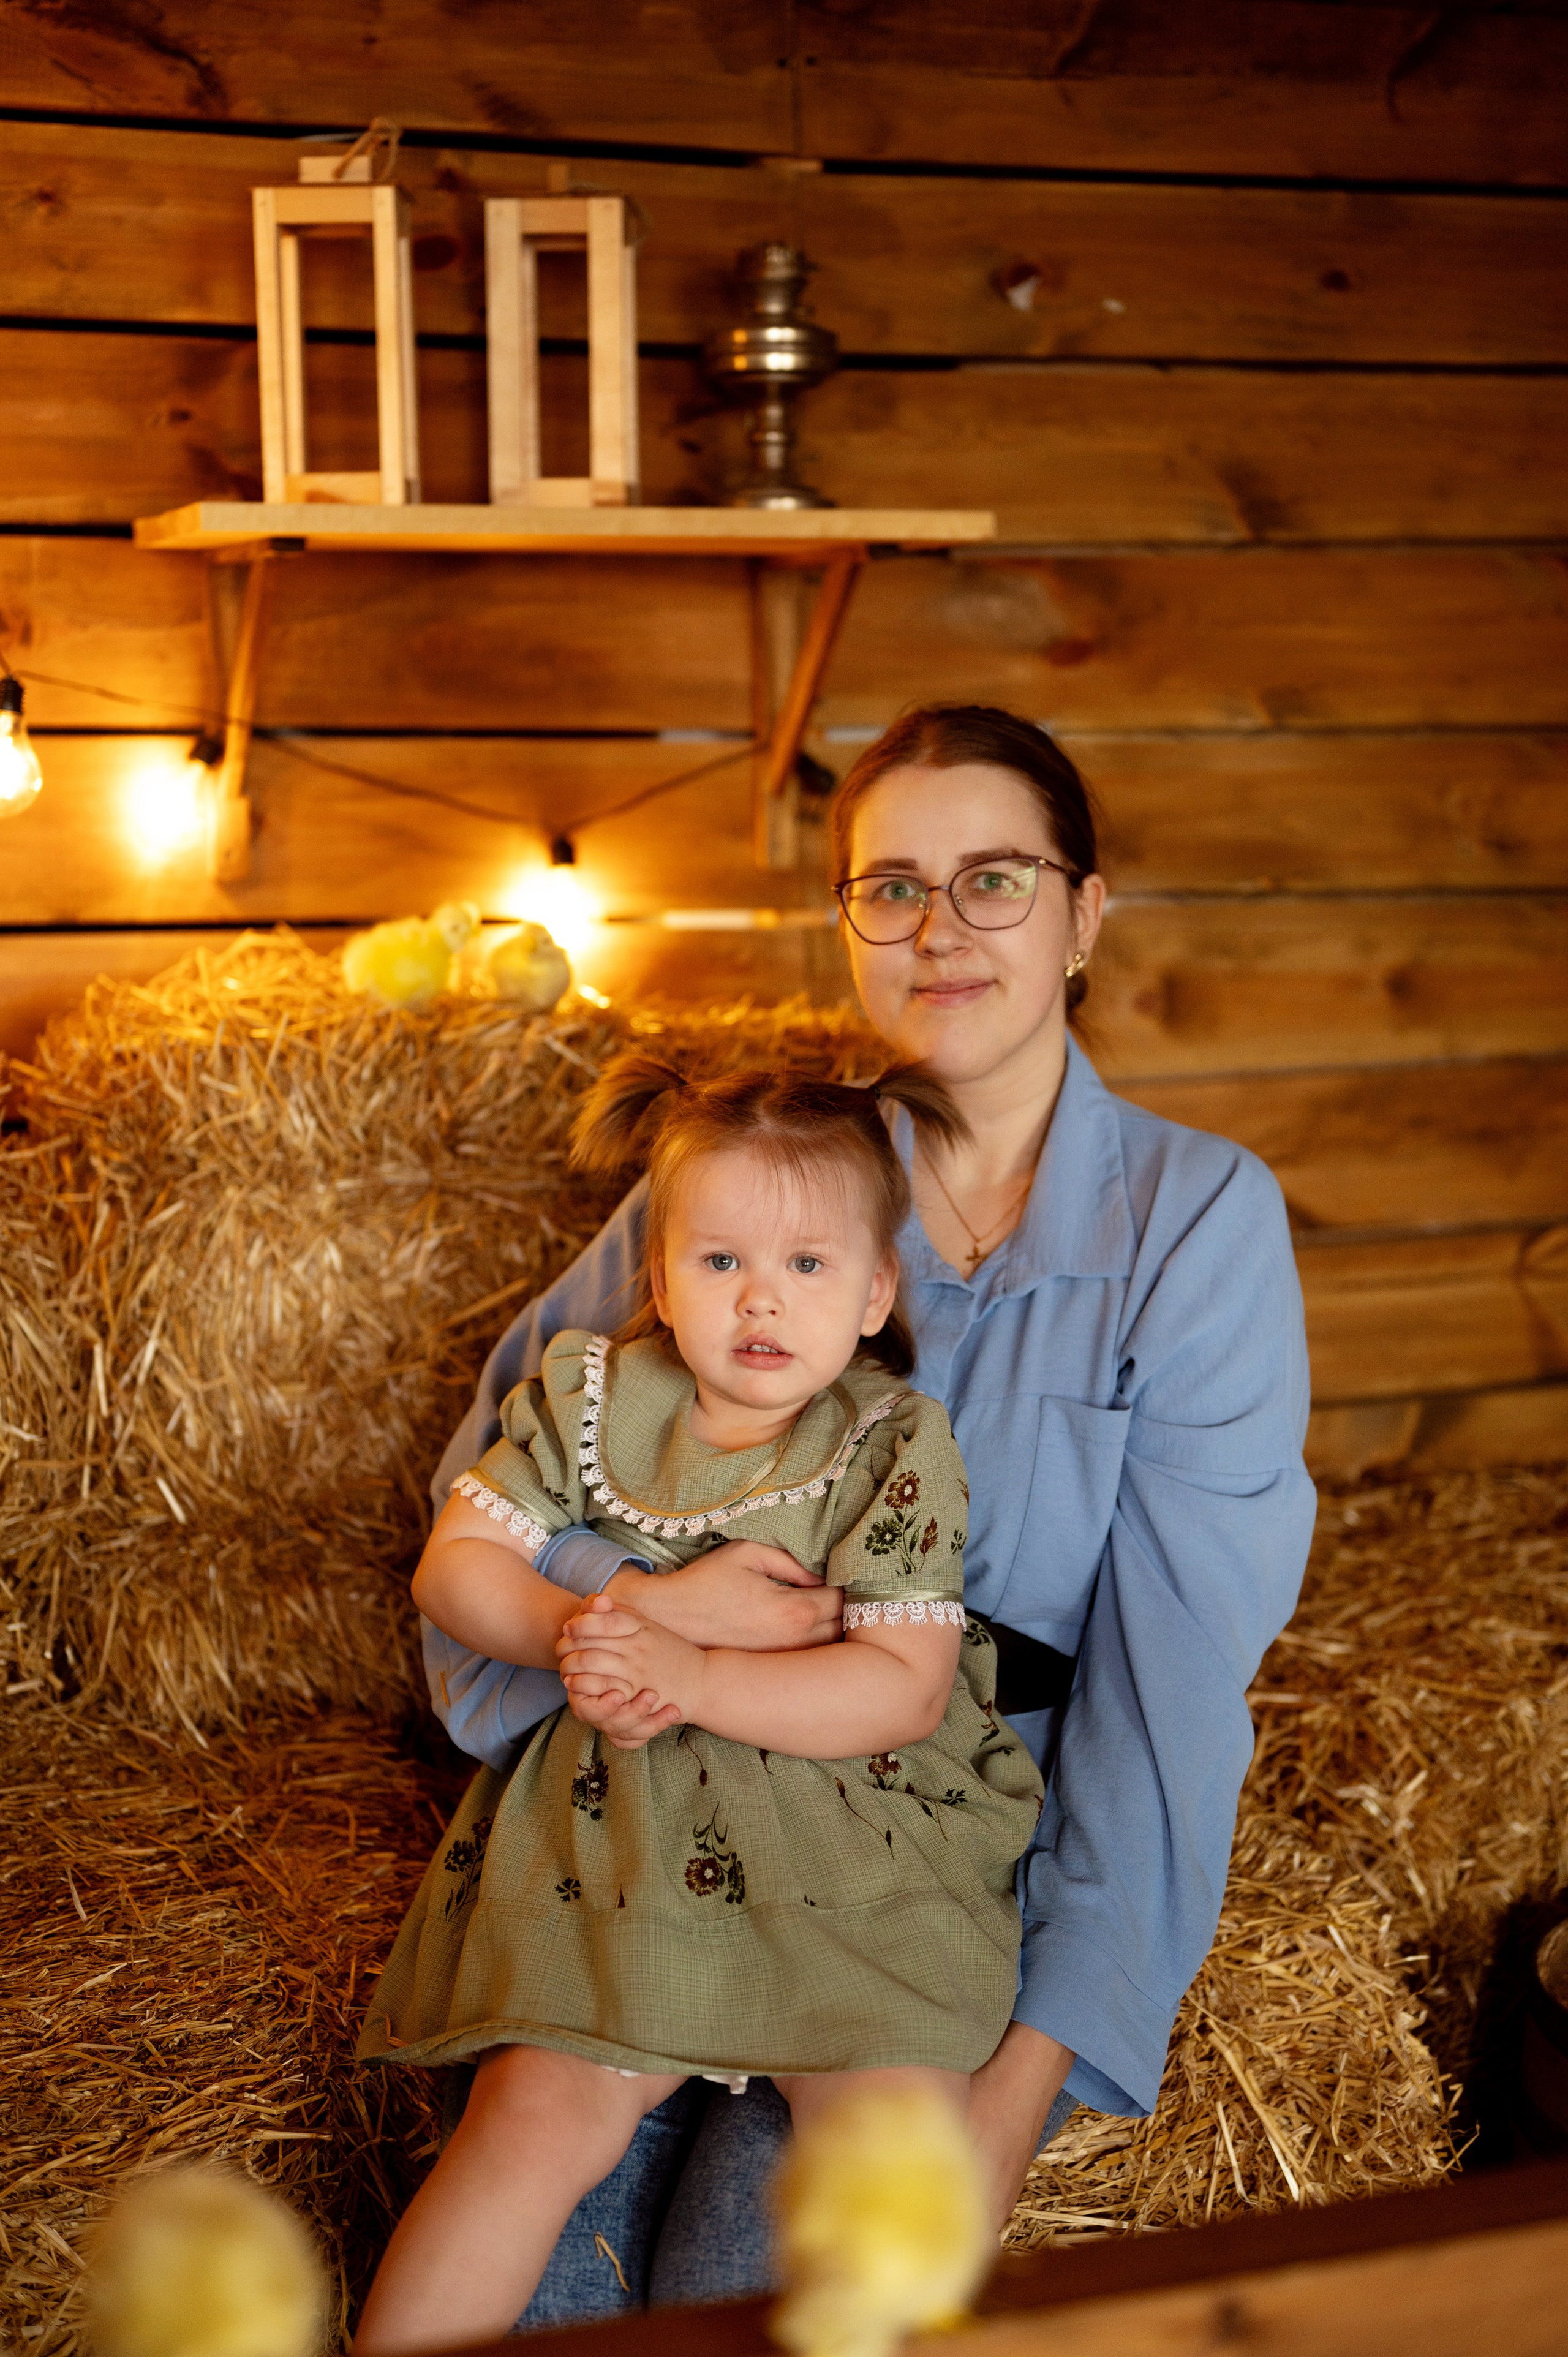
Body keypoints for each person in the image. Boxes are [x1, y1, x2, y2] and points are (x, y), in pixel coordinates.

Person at [421, 704, 1317, 2322]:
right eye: (889, 887)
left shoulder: (1198, 1219)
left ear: (1084, 913)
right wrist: (649, 1614)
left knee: (753, 2283)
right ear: (845, 924)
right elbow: (504, 1464)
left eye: (994, 879)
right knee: (549, 2267)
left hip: (929, 1863)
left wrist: (1021, 2082)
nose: (939, 928)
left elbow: (1172, 1689)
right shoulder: (771, 1174)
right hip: (653, 1794)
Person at [353, 1057, 1046, 2356]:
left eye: (806, 1265)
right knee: (537, 2114)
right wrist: (596, 1628)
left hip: (846, 1830)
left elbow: (900, 1689)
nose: (761, 1299)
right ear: (658, 1279)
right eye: (720, 1261)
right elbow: (454, 1564)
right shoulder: (594, 1398)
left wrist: (696, 1674)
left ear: (874, 1292)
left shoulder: (890, 1443)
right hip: (628, 1834)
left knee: (879, 2119)